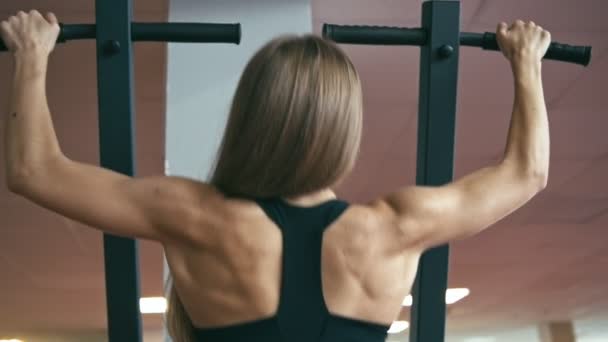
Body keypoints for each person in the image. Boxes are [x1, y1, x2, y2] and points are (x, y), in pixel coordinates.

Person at [1, 10, 551, 342]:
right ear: (346, 129)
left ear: (251, 114)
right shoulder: (395, 227)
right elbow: (526, 172)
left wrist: (31, 55)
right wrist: (526, 63)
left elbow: (34, 171)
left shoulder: (195, 216)